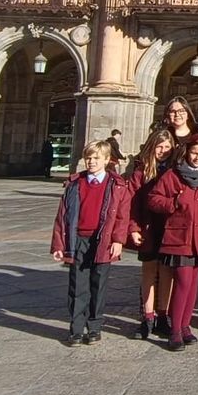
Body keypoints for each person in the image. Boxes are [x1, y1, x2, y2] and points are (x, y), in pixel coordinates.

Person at [49, 140, 131, 346]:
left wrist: (118, 240)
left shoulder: (117, 185)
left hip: (102, 240)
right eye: (88, 158)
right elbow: (63, 215)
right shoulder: (75, 183)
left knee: (98, 284)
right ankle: (76, 329)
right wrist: (58, 244)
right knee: (77, 285)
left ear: (106, 160)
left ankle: (94, 326)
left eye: (96, 158)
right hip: (78, 239)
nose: (91, 161)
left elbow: (122, 216)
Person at [146, 133, 198, 350]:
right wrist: (174, 202)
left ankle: (186, 325)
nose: (197, 157)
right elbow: (154, 199)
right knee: (182, 283)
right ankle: (175, 329)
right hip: (179, 237)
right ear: (187, 153)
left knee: (192, 285)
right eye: (194, 153)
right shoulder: (173, 175)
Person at [126, 129, 176, 340]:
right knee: (148, 271)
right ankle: (147, 317)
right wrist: (133, 228)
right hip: (147, 227)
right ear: (151, 146)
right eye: (159, 147)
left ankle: (163, 315)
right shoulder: (141, 172)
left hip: (168, 228)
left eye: (167, 147)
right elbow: (131, 202)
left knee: (166, 271)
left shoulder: (174, 171)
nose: (163, 151)